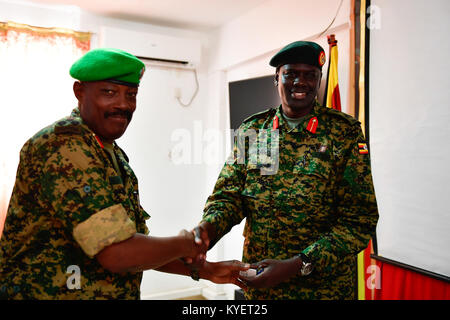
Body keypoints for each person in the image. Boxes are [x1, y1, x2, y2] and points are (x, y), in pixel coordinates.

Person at [0, 48, 249, 300]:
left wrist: (208, 270)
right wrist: (186, 243)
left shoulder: (108, 151)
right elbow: (117, 253)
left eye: (131, 94)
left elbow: (134, 246)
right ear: (79, 92)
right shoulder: (64, 145)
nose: (123, 104)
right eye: (109, 92)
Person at [195, 41, 379, 299]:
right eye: (291, 74)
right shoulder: (253, 130)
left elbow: (360, 220)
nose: (299, 82)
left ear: (319, 80)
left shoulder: (344, 133)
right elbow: (229, 197)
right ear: (276, 78)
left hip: (323, 290)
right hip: (261, 286)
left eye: (309, 75)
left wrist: (299, 264)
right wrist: (206, 231)